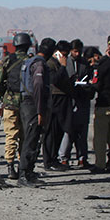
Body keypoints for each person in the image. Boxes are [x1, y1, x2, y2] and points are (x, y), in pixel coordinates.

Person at [18, 37, 54, 187]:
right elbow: (38, 86)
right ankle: (24, 174)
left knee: (31, 138)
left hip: (26, 103)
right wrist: (40, 111)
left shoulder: (29, 61)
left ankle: (29, 172)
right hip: (33, 104)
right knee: (31, 139)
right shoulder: (39, 64)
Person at [0, 33, 29, 179]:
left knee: (11, 136)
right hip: (27, 103)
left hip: (10, 103)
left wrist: (5, 94)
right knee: (25, 136)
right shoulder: (31, 60)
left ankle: (10, 167)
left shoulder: (8, 60)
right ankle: (23, 167)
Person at [58, 39, 93, 168]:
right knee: (68, 131)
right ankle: (63, 158)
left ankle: (82, 158)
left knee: (82, 131)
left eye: (79, 51)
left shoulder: (84, 64)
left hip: (82, 101)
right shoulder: (65, 63)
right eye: (75, 51)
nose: (77, 54)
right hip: (69, 101)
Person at [90, 35, 110, 173]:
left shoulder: (105, 64)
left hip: (104, 103)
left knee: (100, 137)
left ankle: (100, 164)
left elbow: (97, 84)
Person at [42, 40, 74, 171]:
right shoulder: (50, 64)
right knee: (51, 132)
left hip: (63, 101)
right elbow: (54, 80)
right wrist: (62, 67)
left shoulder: (60, 63)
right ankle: (48, 160)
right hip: (54, 101)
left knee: (60, 131)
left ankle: (54, 158)